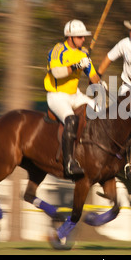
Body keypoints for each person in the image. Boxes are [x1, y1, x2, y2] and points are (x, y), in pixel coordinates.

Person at [44, 19, 102, 178]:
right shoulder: (57, 51)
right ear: (69, 37)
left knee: (101, 114)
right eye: (80, 37)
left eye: (84, 37)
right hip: (57, 96)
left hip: (75, 94)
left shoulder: (83, 53)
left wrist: (99, 83)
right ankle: (69, 162)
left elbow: (93, 75)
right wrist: (76, 65)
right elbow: (56, 73)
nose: (83, 40)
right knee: (71, 120)